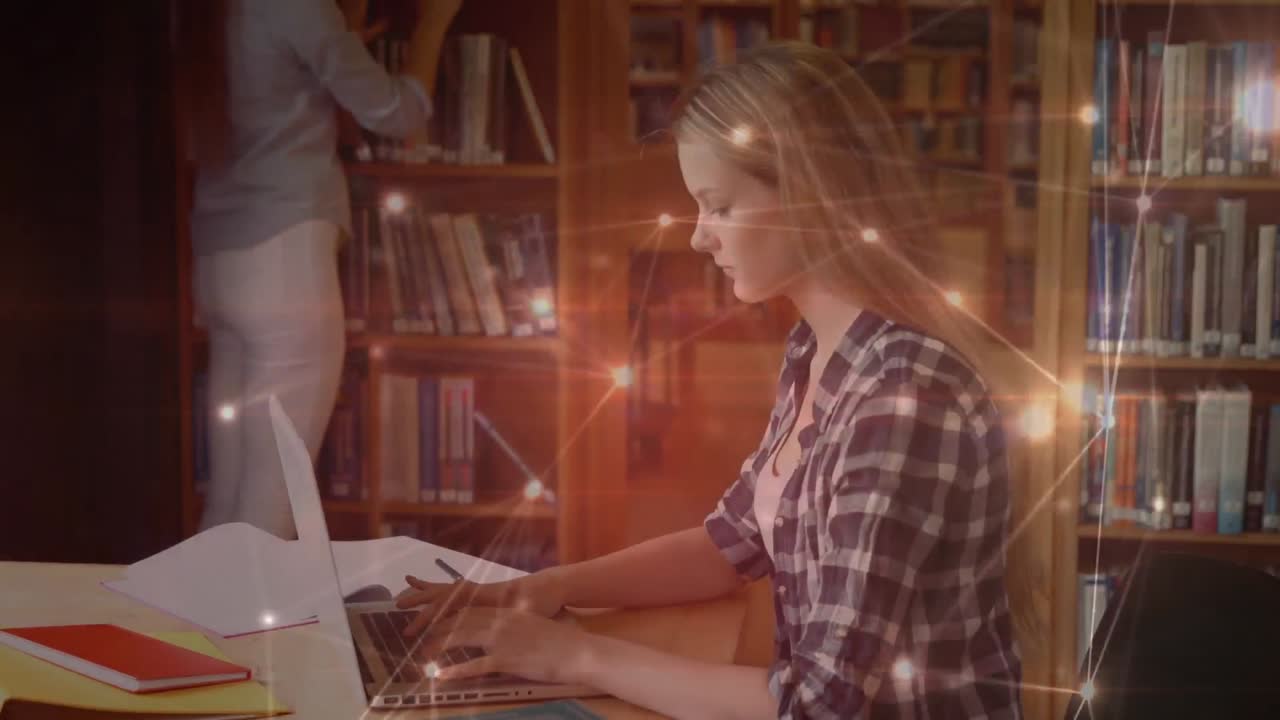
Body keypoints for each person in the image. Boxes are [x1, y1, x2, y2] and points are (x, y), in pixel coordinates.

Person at [395, 41, 1024, 719]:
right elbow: (730, 544)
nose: (699, 237)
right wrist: (545, 590)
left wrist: (570, 656)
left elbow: (819, 706)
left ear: (808, 193)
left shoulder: (904, 398)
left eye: (718, 205)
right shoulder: (819, 349)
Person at [182, 0, 459, 539]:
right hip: (285, 261)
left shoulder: (202, 14)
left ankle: (203, 621)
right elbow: (395, 114)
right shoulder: (296, 6)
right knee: (272, 506)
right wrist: (433, 26)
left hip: (219, 262)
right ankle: (251, 625)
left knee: (227, 506)